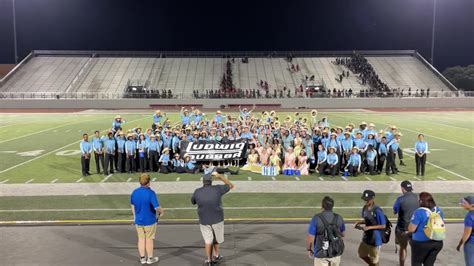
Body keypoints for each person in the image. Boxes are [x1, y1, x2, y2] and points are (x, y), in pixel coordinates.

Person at [191, 165, 235, 265]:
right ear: (211, 181)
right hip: (217, 218)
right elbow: (231, 185)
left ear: (203, 182)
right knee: (216, 240)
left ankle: (209, 260)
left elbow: (193, 201)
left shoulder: (197, 191)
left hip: (204, 219)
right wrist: (220, 176)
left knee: (208, 241)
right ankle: (216, 255)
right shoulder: (217, 189)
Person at [130, 174, 164, 265]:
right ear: (148, 182)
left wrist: (135, 217)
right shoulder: (151, 193)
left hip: (138, 220)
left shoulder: (134, 192)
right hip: (149, 220)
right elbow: (156, 207)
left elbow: (132, 205)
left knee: (141, 239)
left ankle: (142, 258)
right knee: (149, 239)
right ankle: (150, 258)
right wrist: (161, 212)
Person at [407, 192, 444, 266]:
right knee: (429, 264)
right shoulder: (438, 210)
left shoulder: (419, 211)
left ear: (421, 201)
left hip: (421, 243)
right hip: (437, 242)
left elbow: (411, 229)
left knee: (416, 263)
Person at [307, 196, 346, 266]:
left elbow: (311, 237)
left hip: (321, 254)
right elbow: (343, 235)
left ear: (322, 206)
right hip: (336, 253)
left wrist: (309, 249)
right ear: (332, 206)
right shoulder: (338, 217)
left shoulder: (316, 218)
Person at [355, 190, 386, 266]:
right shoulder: (364, 208)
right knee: (361, 254)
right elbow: (367, 220)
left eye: (367, 200)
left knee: (374, 261)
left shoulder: (377, 210)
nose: (366, 201)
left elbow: (383, 225)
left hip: (375, 239)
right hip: (366, 238)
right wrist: (359, 223)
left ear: (372, 199)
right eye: (365, 200)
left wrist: (369, 227)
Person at [393, 181, 419, 266]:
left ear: (402, 188)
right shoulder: (418, 197)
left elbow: (395, 211)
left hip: (402, 228)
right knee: (415, 249)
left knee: (403, 248)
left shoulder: (400, 199)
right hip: (415, 228)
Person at [457, 196, 474, 266]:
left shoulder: (469, 216)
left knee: (470, 263)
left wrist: (460, 244)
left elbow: (467, 234)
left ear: (472, 205)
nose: (462, 204)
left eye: (464, 203)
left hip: (471, 243)